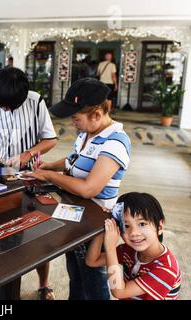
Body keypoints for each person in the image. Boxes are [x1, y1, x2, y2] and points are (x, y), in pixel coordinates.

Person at [25, 78, 132, 300]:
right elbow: (75, 161)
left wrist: (48, 175)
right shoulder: (87, 134)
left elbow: (89, 189)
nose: (72, 123)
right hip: (77, 216)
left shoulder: (115, 142)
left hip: (96, 224)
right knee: (76, 273)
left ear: (96, 114)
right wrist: (50, 165)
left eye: (76, 118)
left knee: (94, 280)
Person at [0, 67, 58, 300]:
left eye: (12, 106)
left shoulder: (36, 102)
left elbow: (51, 139)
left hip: (30, 176)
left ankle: (44, 285)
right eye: (3, 105)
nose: (7, 110)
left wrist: (28, 153)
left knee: (38, 233)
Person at [86, 192, 181, 300]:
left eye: (142, 224)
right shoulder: (128, 250)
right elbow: (92, 261)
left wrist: (110, 248)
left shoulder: (166, 269)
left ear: (160, 225)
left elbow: (119, 292)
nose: (133, 233)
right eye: (126, 226)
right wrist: (104, 226)